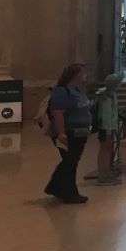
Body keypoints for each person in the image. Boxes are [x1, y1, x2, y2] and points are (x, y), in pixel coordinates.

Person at [44, 63, 92, 204]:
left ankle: (55, 187)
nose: (86, 75)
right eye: (83, 73)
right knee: (70, 162)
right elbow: (58, 113)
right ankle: (69, 194)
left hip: (79, 132)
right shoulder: (62, 91)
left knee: (70, 161)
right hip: (69, 132)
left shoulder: (76, 90)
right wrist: (61, 133)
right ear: (75, 75)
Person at [93, 73, 121, 185]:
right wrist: (109, 130)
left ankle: (107, 172)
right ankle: (103, 176)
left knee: (108, 150)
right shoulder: (106, 95)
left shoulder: (110, 93)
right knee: (104, 150)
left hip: (109, 127)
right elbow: (106, 115)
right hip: (105, 128)